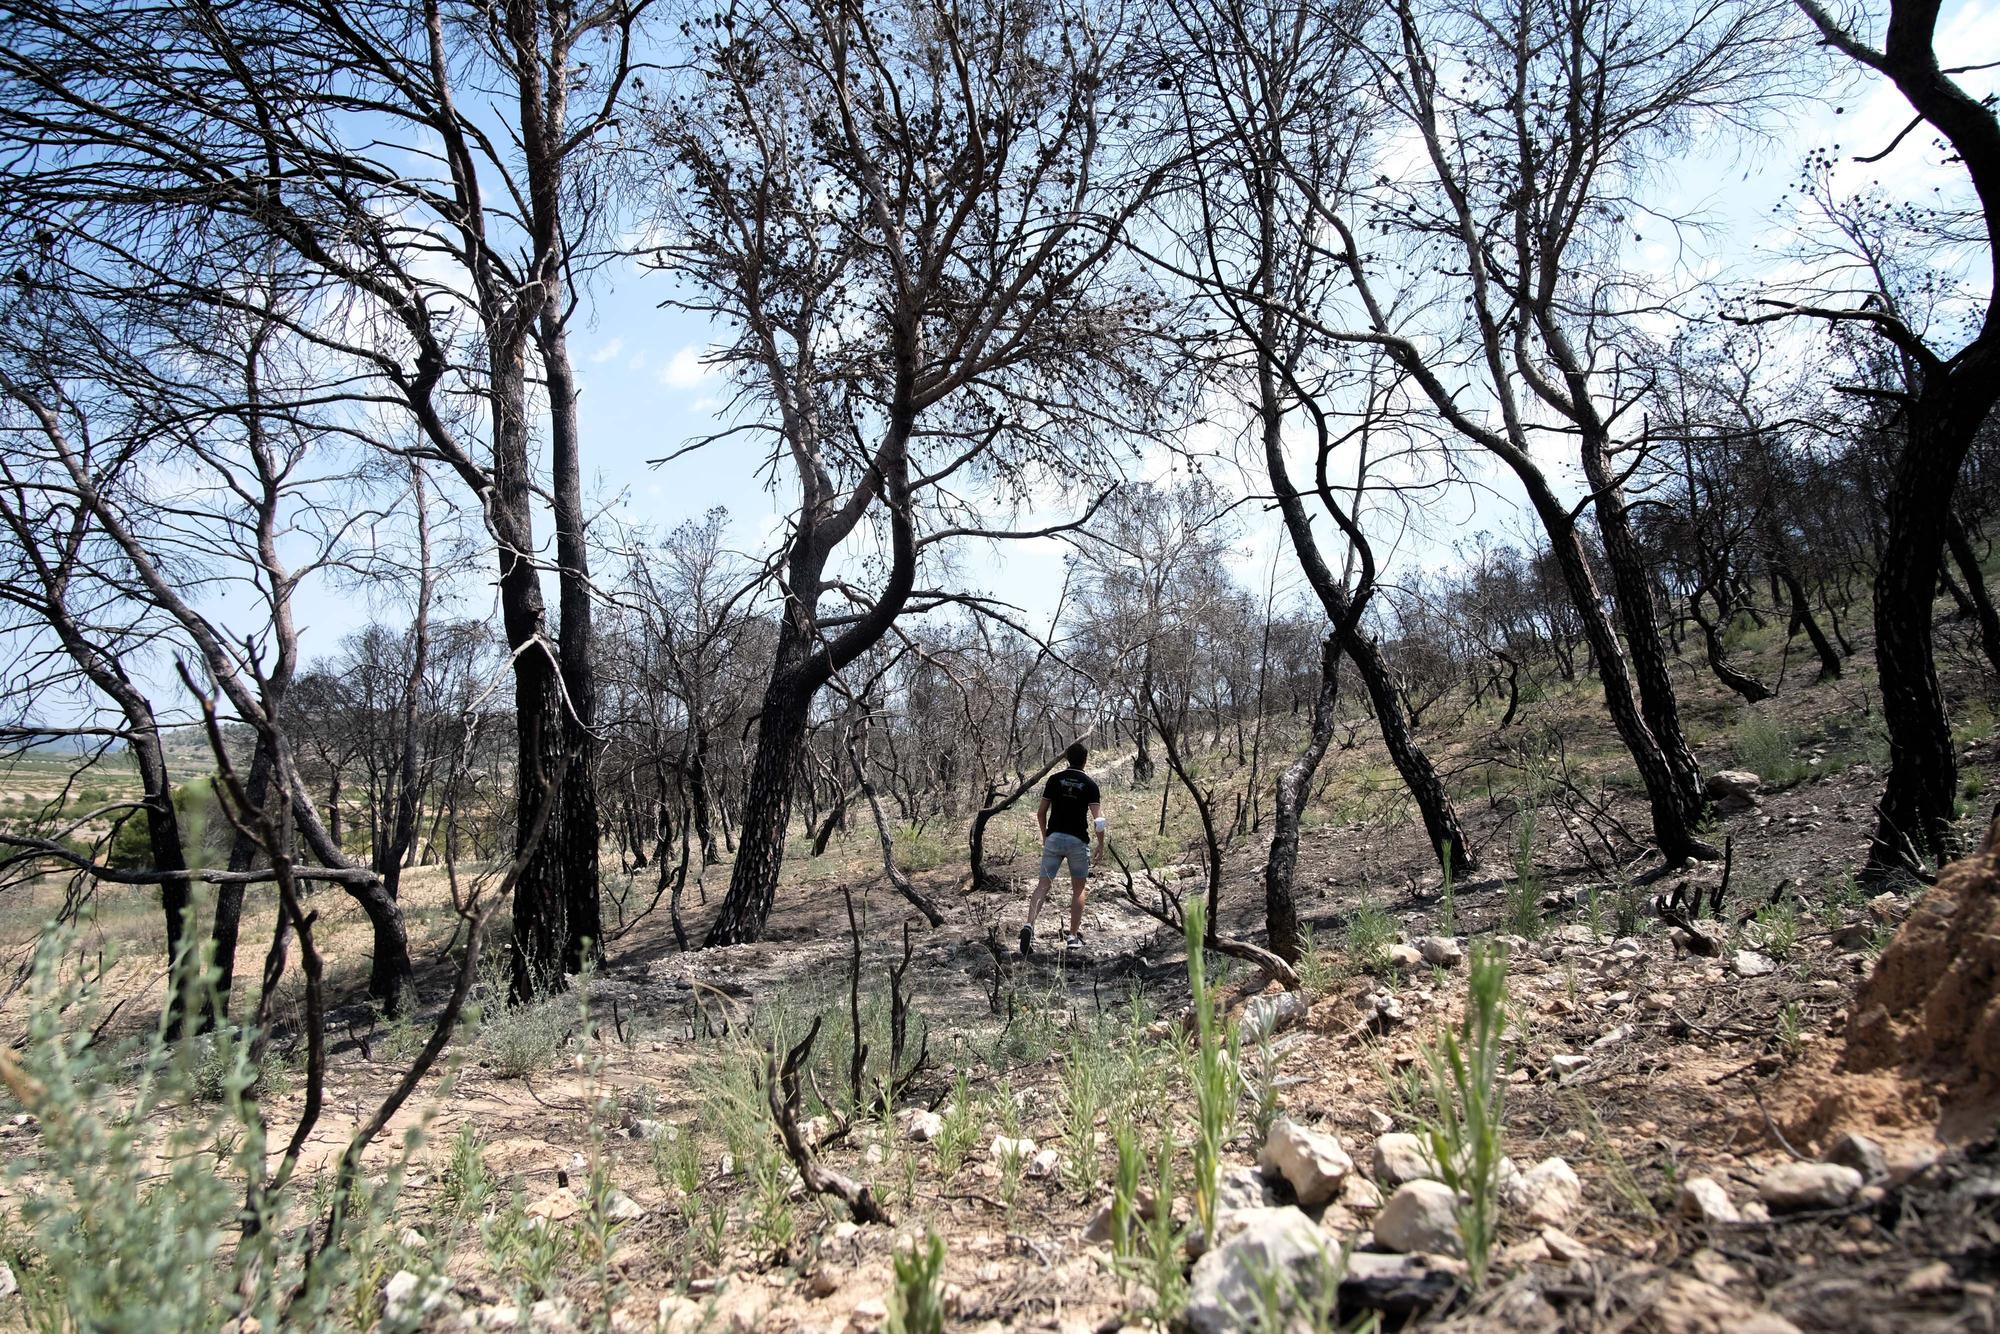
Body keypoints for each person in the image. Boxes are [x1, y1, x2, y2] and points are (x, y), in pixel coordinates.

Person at [1022, 741, 1104, 956]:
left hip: (1054, 838)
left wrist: (1045, 836)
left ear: (1067, 758)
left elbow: (1041, 813)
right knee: (1078, 889)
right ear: (1085, 760)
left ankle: (1029, 925)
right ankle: (1073, 937)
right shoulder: (1090, 784)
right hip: (1078, 841)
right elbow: (1099, 821)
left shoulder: (1054, 779)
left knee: (1042, 886)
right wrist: (1101, 843)